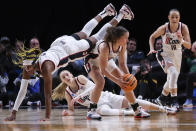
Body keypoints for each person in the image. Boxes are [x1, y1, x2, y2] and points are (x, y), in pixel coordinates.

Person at [4, 3, 119, 121]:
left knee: (97, 37)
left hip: (71, 50)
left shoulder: (46, 67)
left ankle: (120, 15)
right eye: (25, 67)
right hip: (60, 42)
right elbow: (22, 90)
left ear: (33, 64)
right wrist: (13, 113)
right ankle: (105, 11)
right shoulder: (28, 66)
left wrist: (47, 117)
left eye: (28, 68)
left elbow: (48, 95)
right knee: (84, 32)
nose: (26, 71)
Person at [84, 25, 152, 119]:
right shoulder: (105, 47)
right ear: (118, 38)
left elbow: (122, 64)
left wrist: (128, 76)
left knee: (126, 82)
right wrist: (118, 81)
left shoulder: (122, 46)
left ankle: (136, 110)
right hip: (92, 61)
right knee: (100, 82)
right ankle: (91, 111)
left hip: (107, 60)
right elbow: (103, 70)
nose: (127, 41)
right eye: (126, 38)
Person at [52, 70, 176, 116]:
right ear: (62, 81)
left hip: (106, 96)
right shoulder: (68, 93)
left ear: (71, 74)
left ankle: (163, 108)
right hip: (99, 105)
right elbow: (71, 109)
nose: (67, 77)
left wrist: (79, 96)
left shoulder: (80, 78)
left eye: (67, 74)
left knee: (133, 101)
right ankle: (130, 113)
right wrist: (67, 113)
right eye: (64, 77)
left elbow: (95, 87)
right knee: (102, 112)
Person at [148, 9, 191, 111]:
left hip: (177, 55)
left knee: (171, 78)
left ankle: (162, 98)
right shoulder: (164, 28)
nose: (174, 19)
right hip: (164, 54)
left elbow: (189, 46)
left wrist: (181, 40)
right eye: (172, 17)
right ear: (169, 18)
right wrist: (151, 48)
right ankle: (174, 101)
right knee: (173, 73)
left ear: (179, 18)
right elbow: (152, 37)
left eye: (176, 17)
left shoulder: (183, 27)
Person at [183, 41, 196, 108]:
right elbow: (184, 69)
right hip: (192, 76)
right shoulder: (189, 57)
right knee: (190, 75)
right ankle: (189, 99)